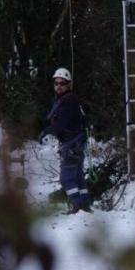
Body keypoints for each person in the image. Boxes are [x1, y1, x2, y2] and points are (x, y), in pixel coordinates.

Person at [40, 67, 91, 213]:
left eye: (62, 83)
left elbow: (61, 124)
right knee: (77, 175)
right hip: (75, 141)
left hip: (72, 143)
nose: (58, 86)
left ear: (69, 84)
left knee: (67, 178)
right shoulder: (66, 99)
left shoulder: (69, 100)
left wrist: (46, 132)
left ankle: (77, 205)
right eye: (56, 83)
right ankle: (85, 204)